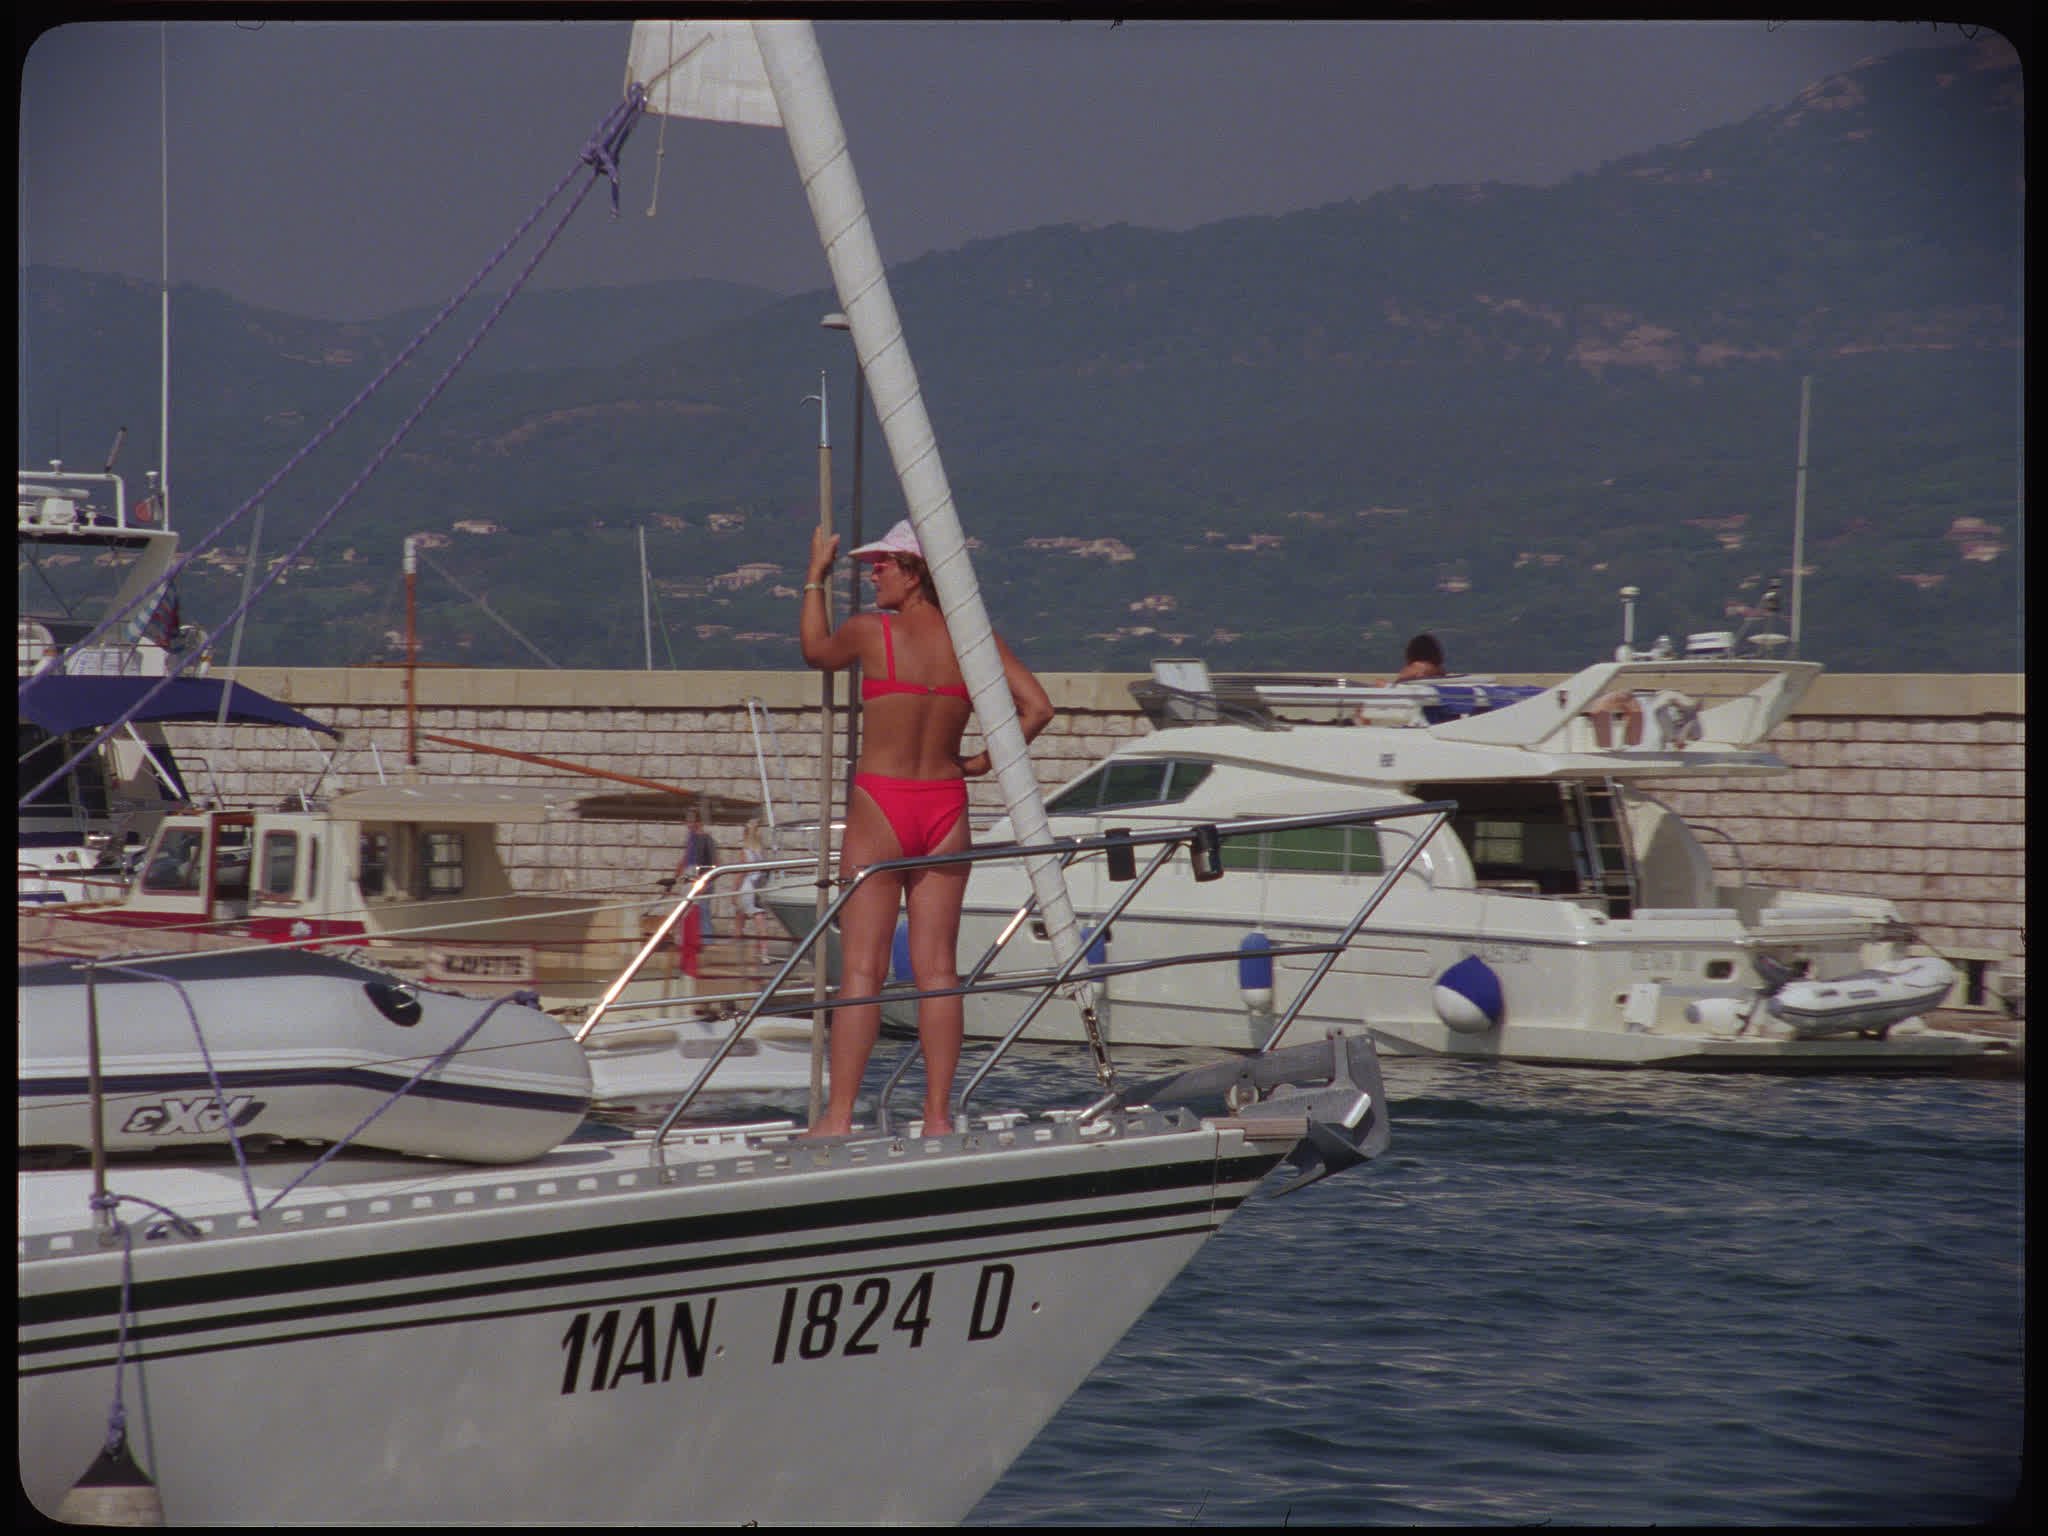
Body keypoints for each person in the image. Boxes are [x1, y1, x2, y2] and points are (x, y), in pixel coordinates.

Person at [798, 517, 1054, 1137]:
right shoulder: (975, 642)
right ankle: (938, 1117)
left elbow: (815, 652)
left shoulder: (869, 633)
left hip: (882, 805)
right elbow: (1039, 707)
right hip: (945, 803)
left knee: (862, 970)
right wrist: (985, 760)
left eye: (883, 563)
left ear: (914, 573)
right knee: (938, 969)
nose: (872, 572)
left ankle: (837, 1119)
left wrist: (813, 578)